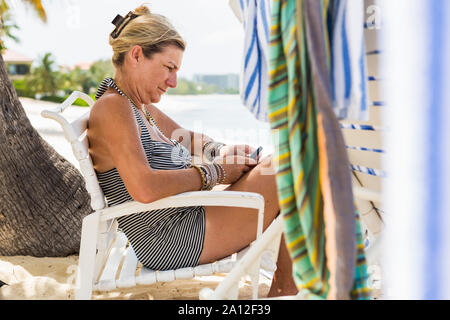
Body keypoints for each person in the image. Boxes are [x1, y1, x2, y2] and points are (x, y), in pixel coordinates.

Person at [87, 5, 297, 298]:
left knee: (286, 164)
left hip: (183, 221)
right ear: (136, 55)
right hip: (169, 239)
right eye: (169, 68)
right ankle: (286, 288)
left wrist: (222, 151)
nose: (172, 82)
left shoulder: (137, 107)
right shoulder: (113, 108)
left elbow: (187, 138)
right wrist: (217, 173)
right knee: (290, 167)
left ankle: (285, 285)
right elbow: (144, 188)